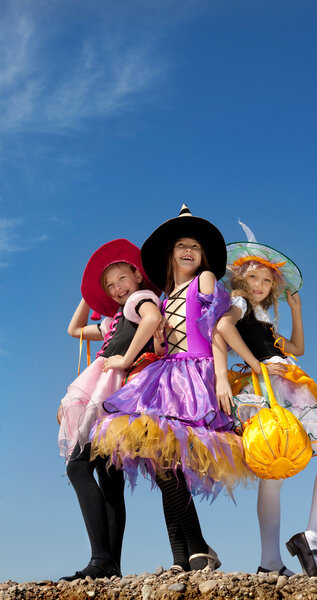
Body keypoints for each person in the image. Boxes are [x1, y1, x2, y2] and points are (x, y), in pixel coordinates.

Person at [90, 206, 250, 572]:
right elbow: (161, 341)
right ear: (171, 252)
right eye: (182, 244)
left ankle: (196, 548)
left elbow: (215, 329)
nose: (189, 250)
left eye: (195, 245)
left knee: (168, 462)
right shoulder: (163, 296)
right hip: (166, 374)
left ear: (203, 253)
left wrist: (222, 376)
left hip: (196, 375)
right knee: (162, 463)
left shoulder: (205, 279)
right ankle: (185, 555)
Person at [213, 223, 317, 577]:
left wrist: (296, 310)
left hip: (283, 381)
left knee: (274, 473)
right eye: (254, 277)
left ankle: (272, 561)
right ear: (240, 279)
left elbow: (298, 349)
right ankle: (309, 541)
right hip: (271, 388)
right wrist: (257, 366)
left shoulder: (264, 322)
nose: (260, 285)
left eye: (267, 281)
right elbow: (222, 329)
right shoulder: (238, 304)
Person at [57, 239, 162, 581]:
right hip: (112, 395)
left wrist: (127, 356)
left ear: (136, 273)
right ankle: (109, 565)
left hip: (118, 395)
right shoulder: (113, 319)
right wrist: (90, 296)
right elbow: (74, 330)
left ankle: (101, 559)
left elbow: (152, 318)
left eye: (121, 279)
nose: (117, 289)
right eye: (110, 286)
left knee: (78, 467)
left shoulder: (139, 300)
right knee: (109, 478)